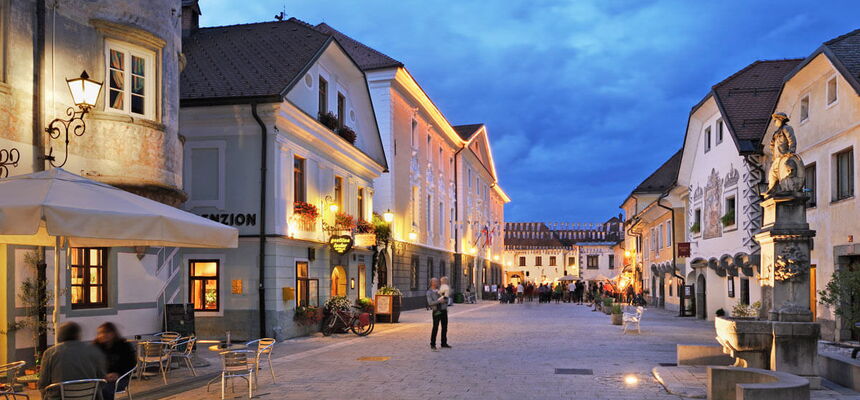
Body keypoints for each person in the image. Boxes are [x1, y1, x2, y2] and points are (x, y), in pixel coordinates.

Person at [39, 322, 107, 399]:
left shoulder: (50, 353)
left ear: (59, 335)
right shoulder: (94, 350)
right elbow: (102, 379)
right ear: (78, 335)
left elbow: (43, 383)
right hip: (90, 397)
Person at [94, 322, 136, 400]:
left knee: (105, 389)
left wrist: (118, 374)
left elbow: (131, 364)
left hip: (120, 378)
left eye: (106, 332)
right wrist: (102, 375)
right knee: (89, 389)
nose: (103, 335)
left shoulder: (123, 346)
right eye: (100, 333)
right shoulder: (95, 347)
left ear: (113, 333)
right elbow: (91, 365)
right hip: (100, 378)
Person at [426, 278, 450, 350]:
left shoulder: (441, 290)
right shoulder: (429, 292)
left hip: (443, 310)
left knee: (444, 327)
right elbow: (430, 303)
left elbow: (446, 298)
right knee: (435, 327)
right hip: (436, 311)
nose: (437, 283)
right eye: (435, 281)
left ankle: (444, 343)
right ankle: (433, 343)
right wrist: (439, 301)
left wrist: (445, 300)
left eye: (437, 281)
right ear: (431, 283)